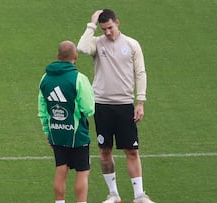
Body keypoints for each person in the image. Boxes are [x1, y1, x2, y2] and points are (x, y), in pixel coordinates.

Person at [77, 9, 155, 203]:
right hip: (102, 105)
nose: (107, 32)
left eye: (110, 28)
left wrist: (141, 102)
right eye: (104, 29)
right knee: (105, 150)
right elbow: (81, 48)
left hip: (124, 105)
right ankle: (113, 194)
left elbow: (140, 73)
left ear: (117, 23)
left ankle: (139, 195)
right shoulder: (97, 42)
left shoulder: (131, 44)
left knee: (132, 150)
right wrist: (91, 24)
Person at [38, 40, 95, 203]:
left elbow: (42, 108)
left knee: (61, 169)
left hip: (56, 133)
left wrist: (47, 131)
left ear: (57, 56)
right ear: (75, 57)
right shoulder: (79, 78)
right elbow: (88, 108)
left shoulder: (45, 78)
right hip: (77, 134)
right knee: (83, 171)